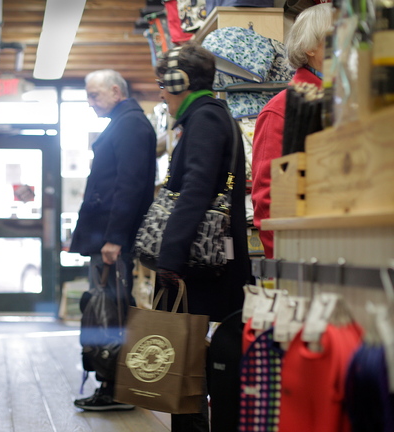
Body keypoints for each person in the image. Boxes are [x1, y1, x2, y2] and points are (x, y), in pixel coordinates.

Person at [153, 42, 251, 431]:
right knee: (194, 369)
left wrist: (169, 258)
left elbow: (196, 189)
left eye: (164, 83)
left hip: (200, 266)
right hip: (210, 261)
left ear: (182, 81)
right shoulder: (207, 117)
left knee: (189, 372)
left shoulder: (205, 120)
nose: (161, 92)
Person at [70, 69, 158, 411]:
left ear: (116, 91)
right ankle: (111, 385)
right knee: (106, 308)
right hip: (106, 238)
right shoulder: (124, 122)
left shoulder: (131, 124)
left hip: (112, 240)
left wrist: (115, 238)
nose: (90, 102)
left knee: (111, 311)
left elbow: (130, 187)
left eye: (95, 95)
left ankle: (116, 388)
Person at [251, 3, 333, 258]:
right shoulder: (281, 109)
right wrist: (286, 265)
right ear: (310, 48)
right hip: (305, 260)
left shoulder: (349, 103)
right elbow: (268, 200)